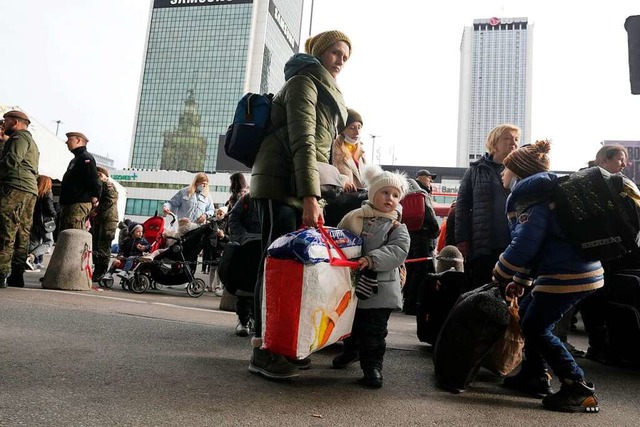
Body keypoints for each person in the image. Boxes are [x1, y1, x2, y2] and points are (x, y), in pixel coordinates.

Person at [249, 30, 352, 379]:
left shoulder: (322, 90)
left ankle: (283, 342)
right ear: (320, 52)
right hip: (281, 183)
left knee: (290, 264)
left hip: (295, 182)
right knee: (277, 263)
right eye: (336, 53)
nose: (341, 61)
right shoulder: (304, 83)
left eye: (345, 57)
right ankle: (264, 348)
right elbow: (304, 142)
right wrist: (311, 196)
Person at [493, 140, 601, 413]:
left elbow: (525, 244)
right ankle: (535, 375)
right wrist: (520, 282)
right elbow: (542, 244)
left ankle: (577, 386)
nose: (502, 175)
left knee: (536, 327)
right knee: (529, 314)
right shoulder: (542, 193)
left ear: (518, 173)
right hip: (575, 269)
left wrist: (501, 271)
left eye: (506, 170)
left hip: (565, 274)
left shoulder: (530, 197)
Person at [335, 165, 410, 388]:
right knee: (350, 323)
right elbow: (341, 240)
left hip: (381, 289)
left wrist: (372, 259)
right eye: (384, 192)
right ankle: (350, 351)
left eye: (395, 195)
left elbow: (398, 250)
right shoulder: (356, 218)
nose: (390, 198)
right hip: (353, 283)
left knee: (374, 331)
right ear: (372, 194)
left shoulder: (397, 226)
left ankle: (372, 366)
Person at [455, 124, 520, 289]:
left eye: (516, 139)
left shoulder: (522, 170)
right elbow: (462, 206)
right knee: (482, 290)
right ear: (494, 143)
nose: (513, 143)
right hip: (483, 244)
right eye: (508, 138)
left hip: (514, 243)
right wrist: (462, 239)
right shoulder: (475, 170)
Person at [0, 111, 39, 288]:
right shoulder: (30, 140)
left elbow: (12, 160)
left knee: (5, 228)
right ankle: (17, 274)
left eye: (5, 121)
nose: (3, 123)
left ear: (15, 122)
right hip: (29, 189)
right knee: (22, 232)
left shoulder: (19, 137)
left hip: (15, 186)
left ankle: (1, 273)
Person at [401, 178, 440, 315]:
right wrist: (435, 232)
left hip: (406, 239)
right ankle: (414, 305)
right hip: (422, 239)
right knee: (421, 274)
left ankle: (407, 303)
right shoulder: (422, 195)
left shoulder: (403, 196)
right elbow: (431, 218)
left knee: (410, 272)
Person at [227, 192, 261, 337]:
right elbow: (233, 218)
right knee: (245, 288)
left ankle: (255, 321)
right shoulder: (247, 199)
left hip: (268, 248)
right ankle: (244, 320)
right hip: (247, 248)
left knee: (262, 289)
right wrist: (243, 236)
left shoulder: (279, 197)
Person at [58, 132, 101, 232]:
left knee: (73, 235)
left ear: (78, 140)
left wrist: (95, 196)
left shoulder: (86, 158)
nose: (66, 142)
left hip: (78, 203)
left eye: (70, 139)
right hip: (71, 203)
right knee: (67, 234)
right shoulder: (76, 159)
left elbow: (93, 179)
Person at [90, 167, 119, 280]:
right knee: (96, 245)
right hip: (100, 219)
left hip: (108, 220)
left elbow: (111, 200)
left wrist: (96, 210)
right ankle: (97, 270)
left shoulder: (108, 185)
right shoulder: (99, 186)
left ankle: (101, 271)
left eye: (100, 174)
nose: (98, 177)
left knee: (103, 246)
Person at [26, 175, 56, 272]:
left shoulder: (34, 192)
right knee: (48, 242)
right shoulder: (47, 193)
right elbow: (49, 208)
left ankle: (29, 262)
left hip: (34, 221)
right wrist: (55, 214)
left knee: (34, 242)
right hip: (45, 222)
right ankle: (32, 256)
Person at [332, 108, 366, 191]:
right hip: (345, 196)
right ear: (342, 130)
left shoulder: (361, 149)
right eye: (352, 128)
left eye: (359, 127)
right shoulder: (334, 147)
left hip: (361, 196)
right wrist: (343, 182)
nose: (357, 132)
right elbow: (328, 171)